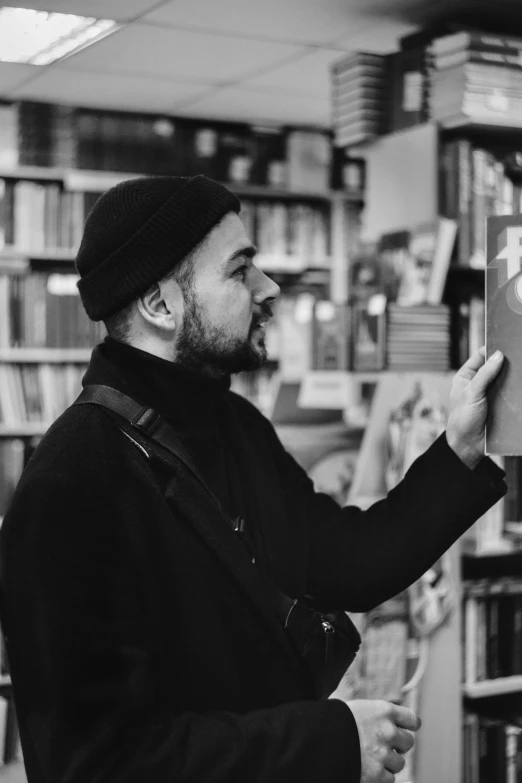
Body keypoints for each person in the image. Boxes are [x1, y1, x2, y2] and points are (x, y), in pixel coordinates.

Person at [0, 175, 506, 783]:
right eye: (240, 271)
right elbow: (95, 765)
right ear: (161, 305)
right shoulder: (71, 487)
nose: (270, 289)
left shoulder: (233, 423)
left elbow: (345, 561)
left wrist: (459, 447)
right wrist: (329, 742)